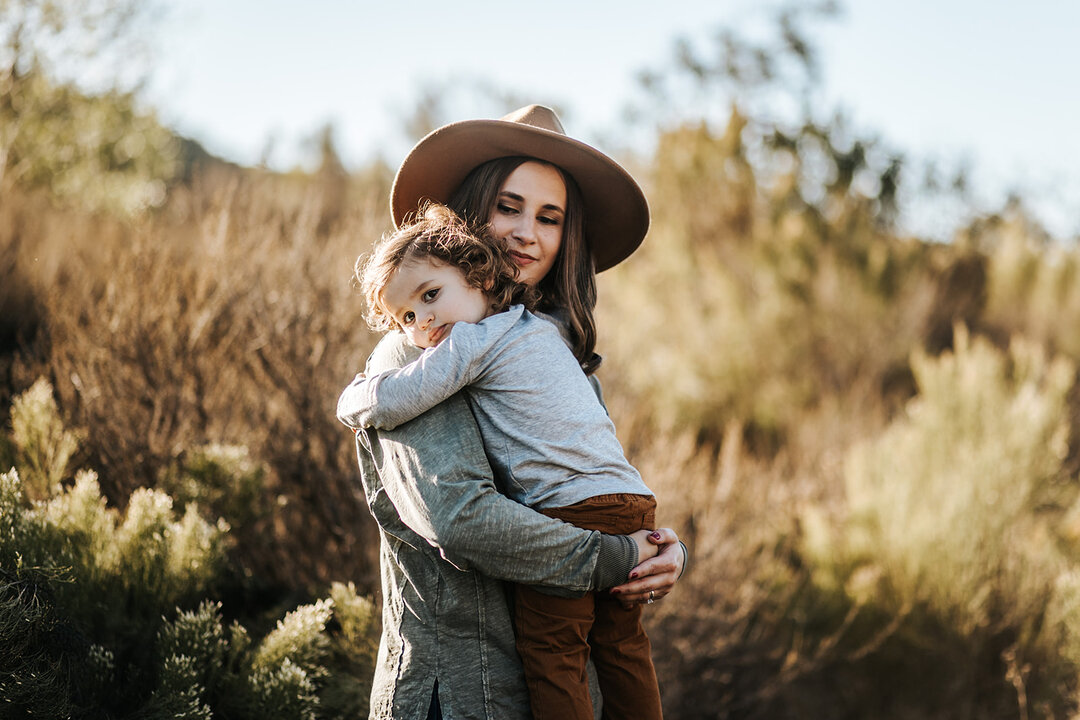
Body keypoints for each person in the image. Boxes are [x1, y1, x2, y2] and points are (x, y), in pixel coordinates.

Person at [340, 104, 685, 720]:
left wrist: (659, 549)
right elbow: (463, 520)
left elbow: (590, 480)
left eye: (549, 217)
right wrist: (613, 556)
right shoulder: (413, 351)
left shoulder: (552, 353)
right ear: (467, 218)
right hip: (462, 697)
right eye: (508, 207)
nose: (528, 232)